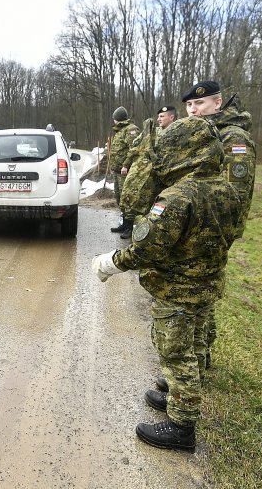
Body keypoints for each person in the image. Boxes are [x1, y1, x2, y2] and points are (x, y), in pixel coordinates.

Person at [91, 114, 241, 452]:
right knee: (198, 341)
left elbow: (148, 246)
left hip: (178, 289)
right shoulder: (227, 190)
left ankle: (181, 426)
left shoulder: (177, 197)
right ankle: (183, 395)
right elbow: (231, 235)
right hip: (207, 283)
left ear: (182, 152)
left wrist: (111, 264)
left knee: (176, 353)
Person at [184, 80, 256, 369]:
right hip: (195, 228)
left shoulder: (233, 138)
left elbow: (234, 194)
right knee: (199, 299)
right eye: (189, 105)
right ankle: (197, 362)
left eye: (199, 103)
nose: (193, 110)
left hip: (211, 231)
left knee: (195, 300)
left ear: (217, 102)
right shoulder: (204, 134)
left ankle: (190, 373)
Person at [119, 106, 178, 234]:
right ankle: (133, 227)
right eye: (158, 117)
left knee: (157, 205)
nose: (158, 119)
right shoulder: (153, 132)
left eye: (162, 116)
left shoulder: (177, 133)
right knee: (135, 200)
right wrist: (127, 164)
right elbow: (136, 147)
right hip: (145, 174)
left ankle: (154, 231)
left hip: (163, 176)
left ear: (171, 117)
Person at [109, 107, 141, 237]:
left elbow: (134, 149)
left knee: (127, 199)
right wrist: (113, 167)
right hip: (117, 172)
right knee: (119, 198)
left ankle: (130, 227)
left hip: (126, 172)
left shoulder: (131, 130)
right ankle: (124, 223)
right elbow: (117, 151)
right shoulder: (120, 131)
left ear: (117, 118)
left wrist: (126, 165)